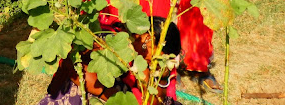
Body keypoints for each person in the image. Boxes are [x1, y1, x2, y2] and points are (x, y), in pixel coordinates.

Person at [38, 17, 182, 105]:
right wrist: (111, 95)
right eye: (161, 55)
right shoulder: (109, 39)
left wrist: (159, 76)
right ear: (148, 38)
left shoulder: (148, 62)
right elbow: (72, 67)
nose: (158, 62)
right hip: (80, 93)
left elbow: (153, 101)